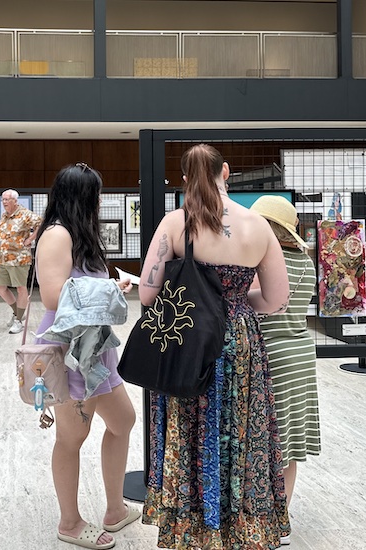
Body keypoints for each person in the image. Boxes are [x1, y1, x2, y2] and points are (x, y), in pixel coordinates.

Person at [139, 144, 291, 549]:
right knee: (240, 427)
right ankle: (240, 525)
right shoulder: (257, 226)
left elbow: (148, 295)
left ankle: (193, 525)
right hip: (240, 340)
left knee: (190, 425)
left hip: (189, 337)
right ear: (226, 171)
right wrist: (237, 305)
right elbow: (276, 299)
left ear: (186, 179)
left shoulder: (175, 223)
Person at [35, 163, 137, 550]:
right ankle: (70, 522)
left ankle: (113, 509)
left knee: (123, 420)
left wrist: (111, 287)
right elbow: (51, 296)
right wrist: (110, 288)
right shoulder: (57, 235)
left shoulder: (79, 236)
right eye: (95, 196)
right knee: (72, 436)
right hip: (70, 350)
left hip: (93, 348)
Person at [250, 195, 322, 545]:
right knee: (288, 446)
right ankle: (281, 521)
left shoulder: (260, 262)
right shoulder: (306, 264)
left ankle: (258, 519)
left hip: (270, 357)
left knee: (262, 442)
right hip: (300, 356)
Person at [0, 188, 42, 334]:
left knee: (20, 288)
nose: (4, 202)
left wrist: (30, 239)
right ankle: (18, 313)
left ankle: (18, 320)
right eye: (3, 199)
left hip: (19, 259)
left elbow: (41, 224)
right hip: (3, 258)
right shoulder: (4, 216)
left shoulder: (25, 214)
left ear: (15, 201)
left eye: (7, 199)